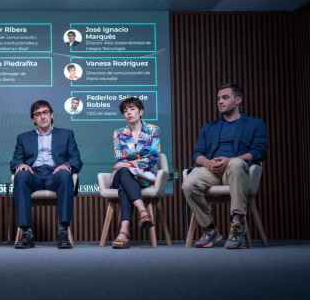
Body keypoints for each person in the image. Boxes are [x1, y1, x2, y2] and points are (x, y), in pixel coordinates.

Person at [182, 83, 268, 249]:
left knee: (236, 164)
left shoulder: (254, 124)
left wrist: (230, 160)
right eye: (218, 98)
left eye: (225, 97)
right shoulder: (209, 127)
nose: (220, 101)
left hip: (237, 171)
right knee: (188, 185)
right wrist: (208, 162)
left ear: (238, 100)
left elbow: (259, 151)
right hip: (212, 170)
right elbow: (197, 154)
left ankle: (237, 224)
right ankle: (210, 230)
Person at [10, 100, 83, 249]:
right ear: (33, 119)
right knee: (21, 176)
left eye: (45, 112)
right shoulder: (23, 138)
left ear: (51, 115)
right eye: (38, 114)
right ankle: (26, 233)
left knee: (65, 175)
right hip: (34, 175)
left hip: (55, 174)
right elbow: (15, 161)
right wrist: (20, 165)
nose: (42, 117)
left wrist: (66, 166)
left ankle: (63, 231)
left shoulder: (66, 134)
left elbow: (76, 160)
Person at [109, 97, 161, 249]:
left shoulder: (153, 130)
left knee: (125, 185)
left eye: (132, 109)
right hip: (123, 174)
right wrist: (132, 163)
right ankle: (142, 211)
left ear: (141, 112)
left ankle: (124, 231)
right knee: (124, 172)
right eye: (125, 111)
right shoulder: (118, 133)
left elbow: (153, 157)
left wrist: (131, 163)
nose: (128, 113)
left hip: (144, 176)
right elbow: (118, 159)